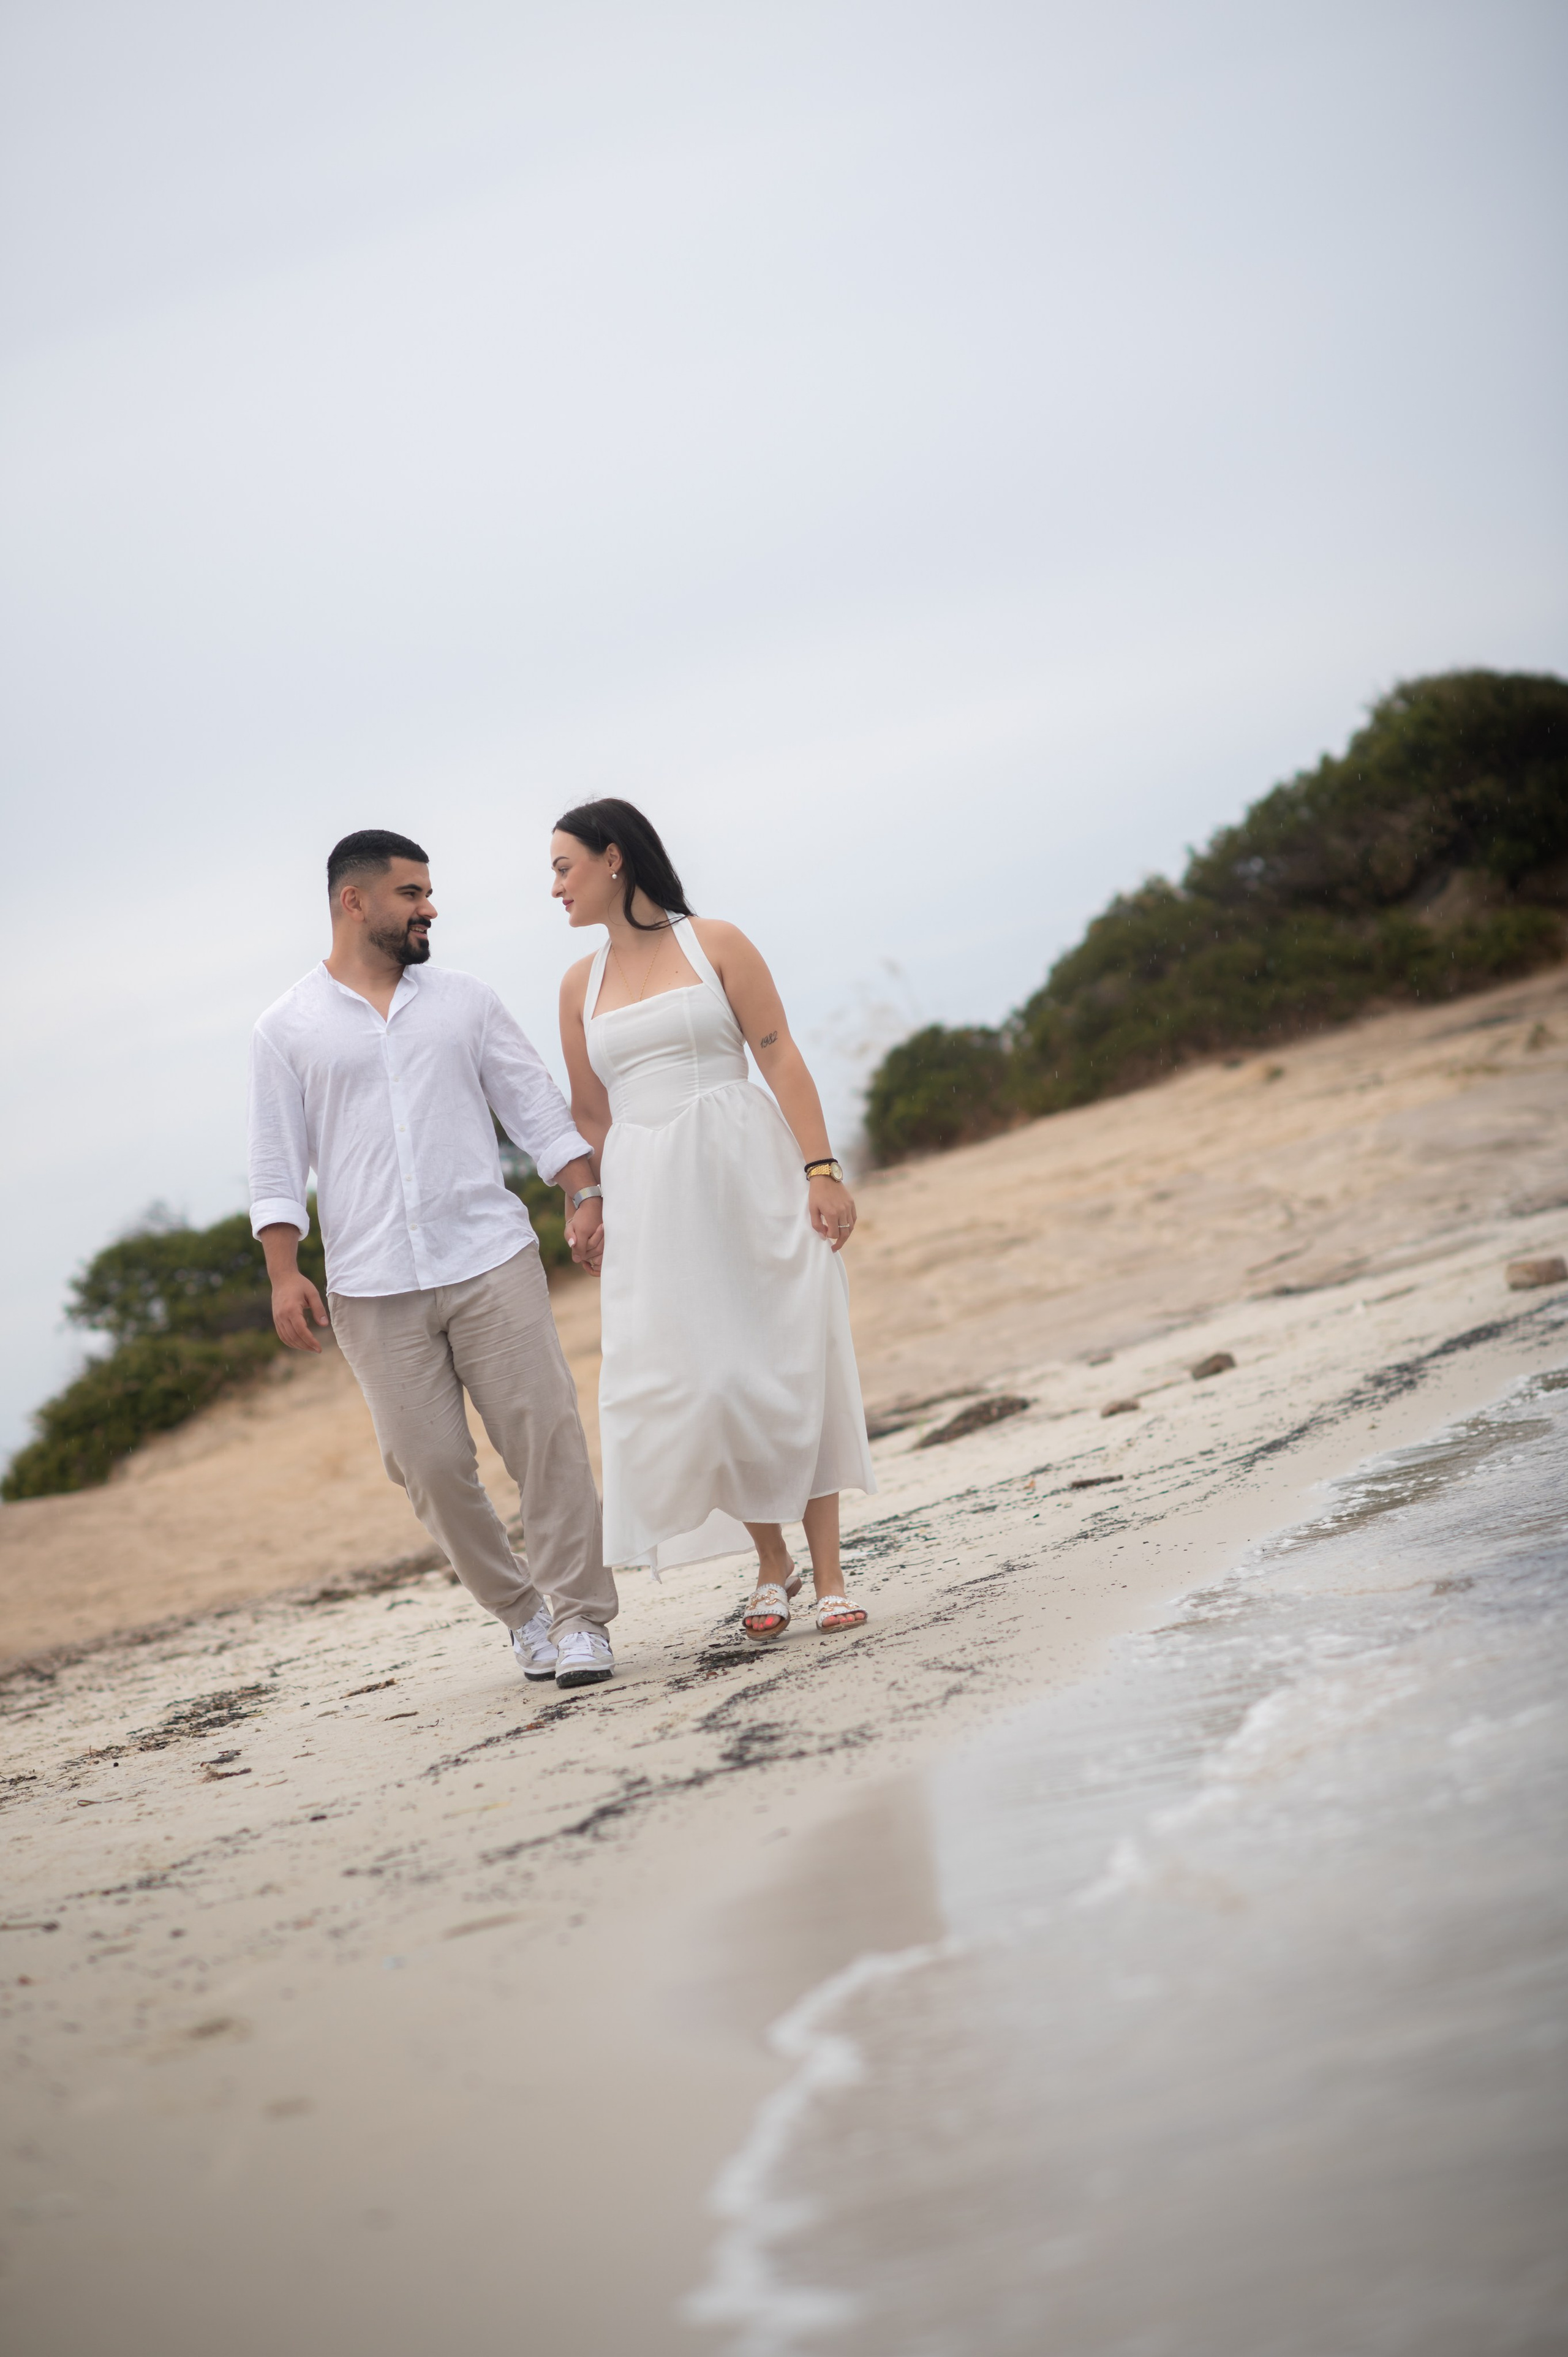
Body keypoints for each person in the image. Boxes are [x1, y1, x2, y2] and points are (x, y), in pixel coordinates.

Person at [247, 829, 617, 1690]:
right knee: (430, 1467)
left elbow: (534, 1108)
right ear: (356, 902)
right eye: (413, 893)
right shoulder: (284, 1028)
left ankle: (581, 1620)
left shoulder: (465, 1001)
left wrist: (585, 1190)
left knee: (546, 1437)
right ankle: (523, 1614)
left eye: (428, 892)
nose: (429, 908)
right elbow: (276, 1161)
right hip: (372, 1286)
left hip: (490, 1258)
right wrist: (282, 1271)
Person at [552, 799, 874, 1640]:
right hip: (651, 1195)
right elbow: (589, 1112)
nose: (554, 887)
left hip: (746, 1170)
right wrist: (586, 1202)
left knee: (786, 1359)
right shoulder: (575, 987)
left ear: (613, 859)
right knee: (701, 1380)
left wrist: (823, 1170)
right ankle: (773, 1564)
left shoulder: (717, 943)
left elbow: (777, 1052)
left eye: (563, 867)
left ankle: (830, 1574)